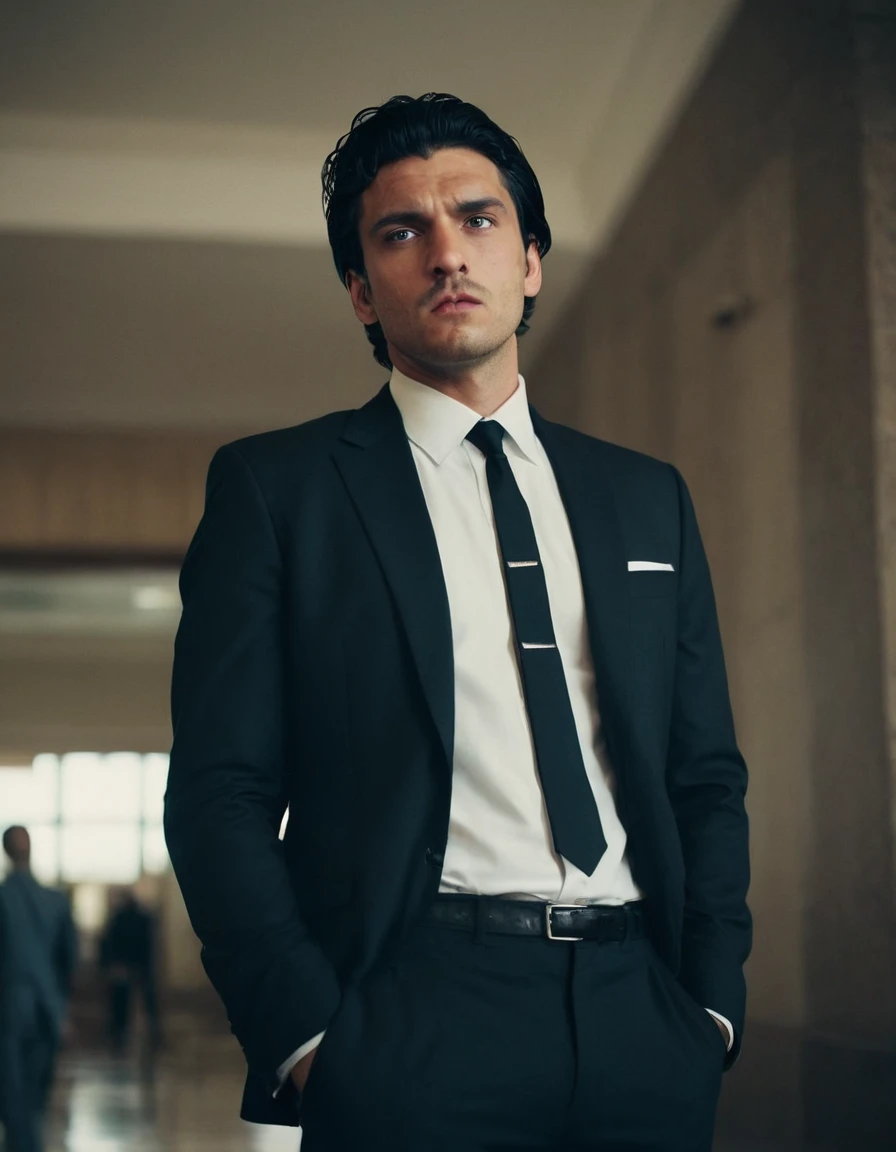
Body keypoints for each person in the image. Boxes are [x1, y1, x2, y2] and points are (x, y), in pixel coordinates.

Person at [164, 93, 751, 1151]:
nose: (445, 254)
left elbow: (700, 772)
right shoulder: (276, 491)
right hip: (411, 1017)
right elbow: (219, 793)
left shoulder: (643, 497)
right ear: (359, 291)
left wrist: (706, 1005)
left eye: (477, 220)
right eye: (401, 232)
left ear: (529, 260)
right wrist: (305, 1034)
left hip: (640, 1015)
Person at [0, 825, 77, 1152]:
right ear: (29, 849)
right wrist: (59, 1005)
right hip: (48, 1011)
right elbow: (69, 960)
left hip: (7, 1011)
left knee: (12, 1095)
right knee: (34, 1097)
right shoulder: (55, 902)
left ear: (6, 851)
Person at [98, 889, 159, 1053]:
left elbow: (108, 942)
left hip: (128, 965)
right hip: (134, 965)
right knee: (128, 1002)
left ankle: (123, 1034)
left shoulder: (120, 918)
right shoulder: (139, 918)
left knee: (124, 1002)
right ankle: (145, 1033)